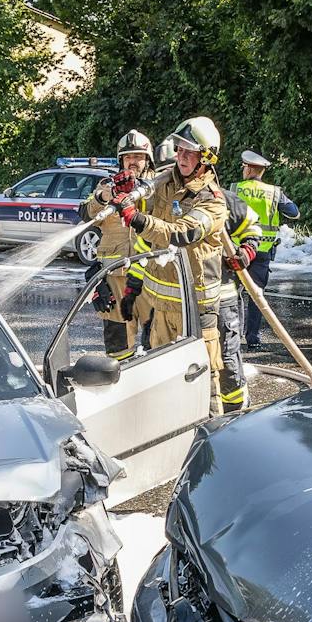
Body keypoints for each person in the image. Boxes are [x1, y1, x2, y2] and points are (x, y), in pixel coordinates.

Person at [111, 116, 230, 414]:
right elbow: (145, 230)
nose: (182, 157)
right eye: (179, 150)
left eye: (189, 152)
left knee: (204, 382)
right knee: (161, 382)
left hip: (196, 310)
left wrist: (137, 218)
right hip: (160, 309)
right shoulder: (164, 181)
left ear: (207, 157)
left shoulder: (213, 202)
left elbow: (181, 234)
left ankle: (209, 438)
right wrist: (128, 191)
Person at [79, 130, 157, 360]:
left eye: (138, 156)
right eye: (127, 157)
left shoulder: (158, 186)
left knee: (159, 345)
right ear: (120, 160)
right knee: (118, 348)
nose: (132, 161)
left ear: (148, 159)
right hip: (115, 280)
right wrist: (105, 196)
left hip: (151, 278)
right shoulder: (107, 185)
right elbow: (85, 213)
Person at [230, 150, 299, 348]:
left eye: (244, 167)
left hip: (237, 250)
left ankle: (233, 335)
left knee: (233, 294)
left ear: (250, 168)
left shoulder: (235, 189)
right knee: (256, 296)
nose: (243, 170)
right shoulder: (275, 192)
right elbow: (294, 213)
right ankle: (253, 338)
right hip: (262, 251)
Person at [214, 190, 263, 412]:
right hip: (179, 303)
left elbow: (253, 227)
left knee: (227, 363)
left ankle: (237, 413)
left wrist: (246, 251)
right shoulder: (165, 199)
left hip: (221, 294)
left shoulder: (220, 199)